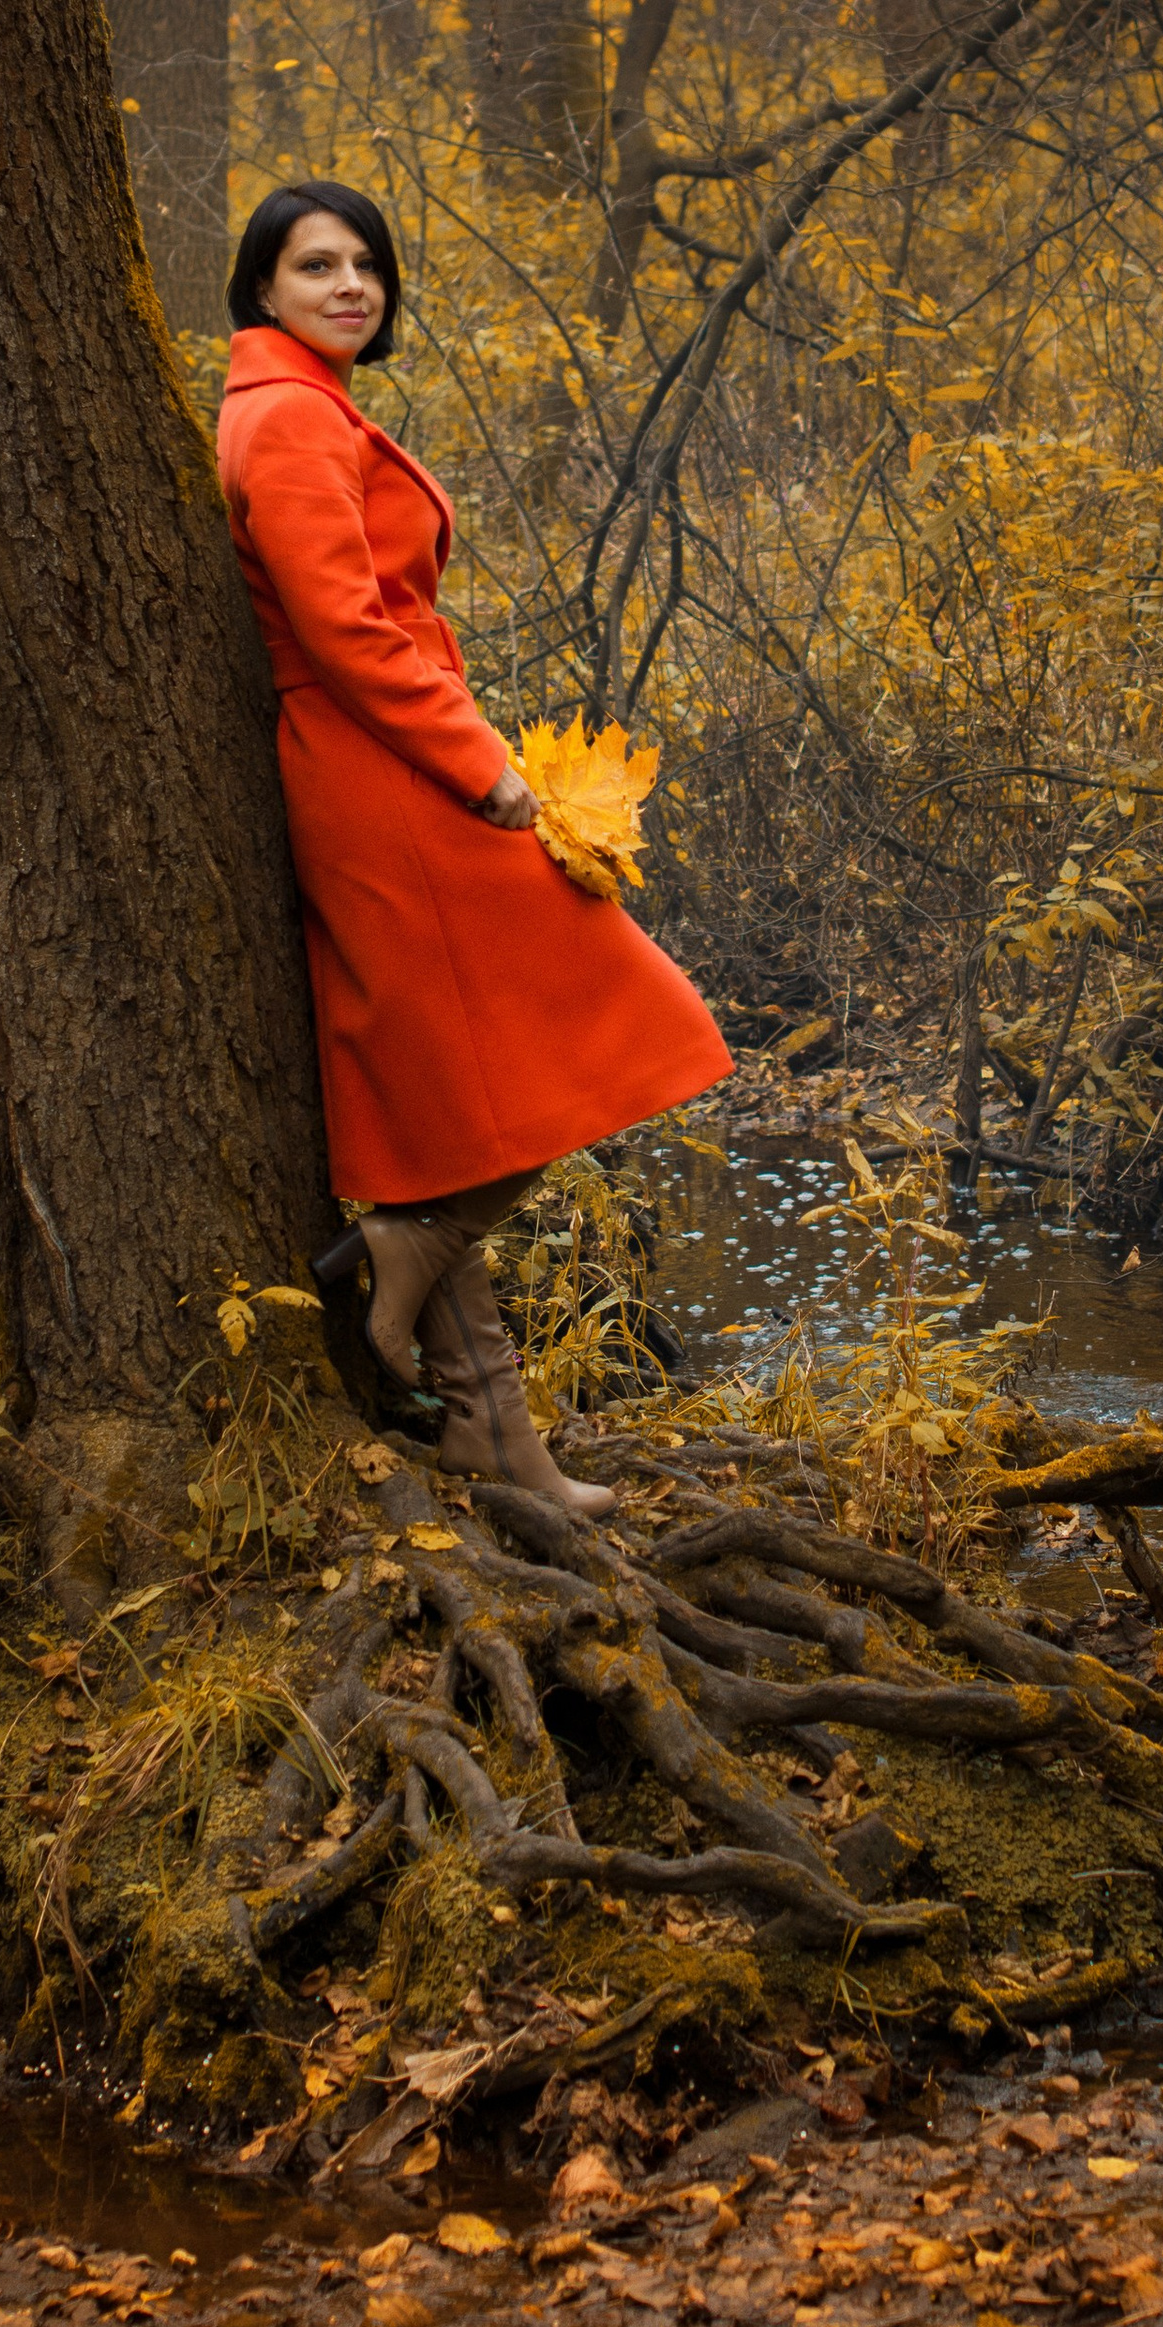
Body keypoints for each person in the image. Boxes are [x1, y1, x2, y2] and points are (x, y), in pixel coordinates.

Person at [214, 181, 728, 1518]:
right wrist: (482, 769)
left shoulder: (311, 408)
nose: (349, 286)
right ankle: (406, 1240)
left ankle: (495, 1446)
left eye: (366, 265)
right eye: (314, 265)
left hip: (385, 755)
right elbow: (346, 629)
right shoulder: (280, 420)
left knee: (445, 1106)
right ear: (260, 290)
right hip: (384, 767)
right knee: (614, 1005)